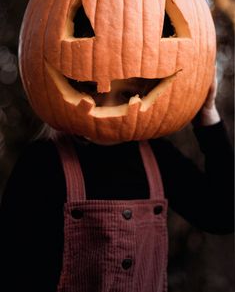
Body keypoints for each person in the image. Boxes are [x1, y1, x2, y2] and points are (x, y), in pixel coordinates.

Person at [0, 64, 233, 292]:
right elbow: (15, 271)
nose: (106, 109)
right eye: (91, 88)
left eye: (126, 94)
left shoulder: (157, 156)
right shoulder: (43, 162)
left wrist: (207, 117)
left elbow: (222, 214)